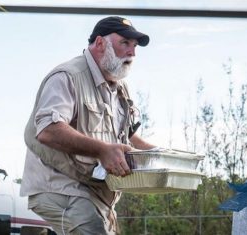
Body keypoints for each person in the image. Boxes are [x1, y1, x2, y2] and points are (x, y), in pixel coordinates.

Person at [20, 16, 156, 235]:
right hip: (60, 187)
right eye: (125, 43)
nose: (132, 53)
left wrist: (159, 154)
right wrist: (101, 150)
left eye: (134, 46)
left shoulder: (120, 89)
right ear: (100, 43)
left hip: (98, 193)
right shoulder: (67, 76)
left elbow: (126, 138)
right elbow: (47, 130)